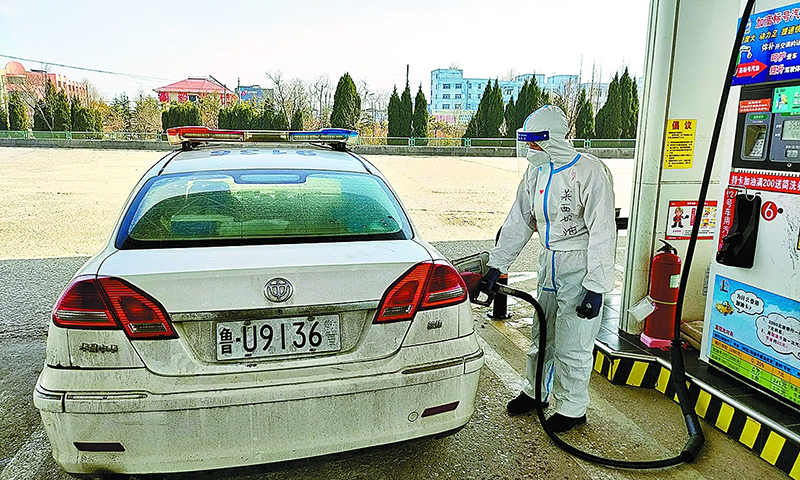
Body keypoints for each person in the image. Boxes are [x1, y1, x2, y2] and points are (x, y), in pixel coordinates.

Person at [480, 105, 616, 433]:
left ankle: (572, 407)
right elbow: (519, 220)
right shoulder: (536, 172)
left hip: (579, 265)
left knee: (573, 341)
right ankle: (535, 391)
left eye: (534, 142)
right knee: (542, 333)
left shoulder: (589, 172)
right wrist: (497, 265)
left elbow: (603, 231)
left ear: (551, 139)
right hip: (548, 262)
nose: (529, 149)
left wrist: (596, 286)